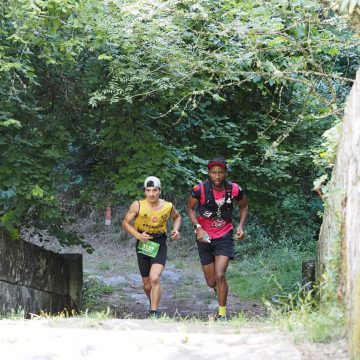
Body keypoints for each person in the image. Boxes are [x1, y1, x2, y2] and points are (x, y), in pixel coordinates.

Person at [186, 156, 248, 322]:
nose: (217, 176)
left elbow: (244, 206)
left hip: (224, 234)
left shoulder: (234, 189)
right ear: (209, 173)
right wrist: (198, 228)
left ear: (225, 173)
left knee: (220, 275)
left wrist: (240, 226)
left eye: (221, 172)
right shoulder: (199, 189)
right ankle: (219, 291)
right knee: (211, 281)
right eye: (214, 172)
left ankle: (222, 315)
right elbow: (190, 208)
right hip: (204, 236)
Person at [122, 176, 181, 318]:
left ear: (160, 191)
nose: (151, 194)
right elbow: (125, 223)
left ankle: (154, 312)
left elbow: (177, 217)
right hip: (143, 242)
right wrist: (138, 235)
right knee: (147, 284)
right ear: (144, 192)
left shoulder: (168, 206)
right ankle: (152, 303)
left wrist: (176, 229)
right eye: (148, 190)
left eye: (154, 190)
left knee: (155, 278)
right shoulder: (138, 205)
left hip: (159, 243)